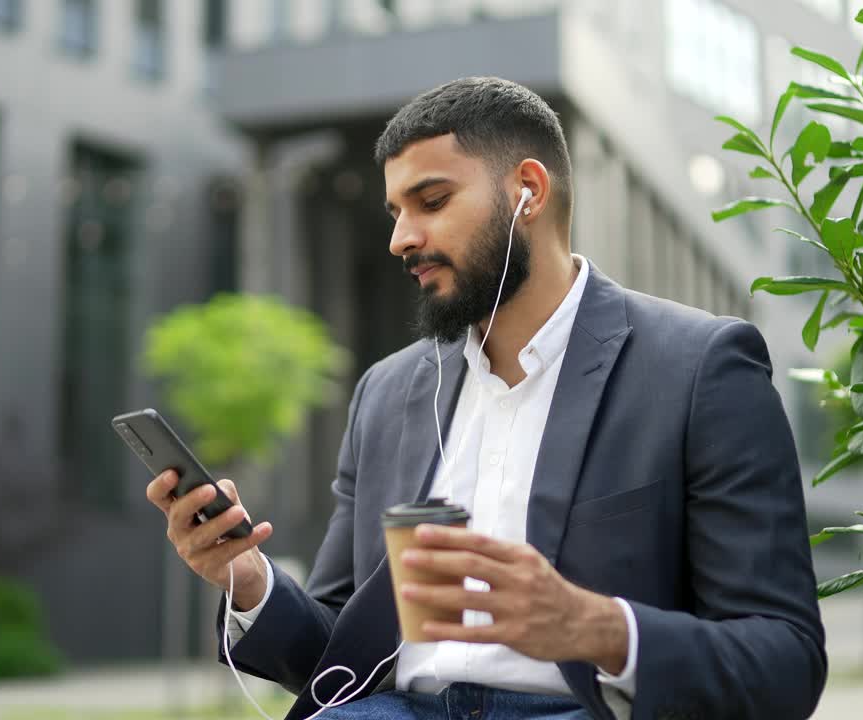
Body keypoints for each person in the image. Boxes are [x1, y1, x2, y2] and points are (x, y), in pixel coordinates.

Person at [146, 77, 827, 720]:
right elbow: (338, 655)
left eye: (432, 201)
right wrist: (249, 579)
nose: (400, 238)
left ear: (528, 190)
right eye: (395, 212)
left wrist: (594, 627)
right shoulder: (386, 394)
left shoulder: (700, 368)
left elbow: (785, 660)